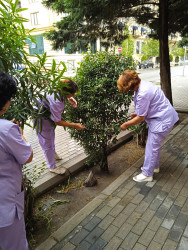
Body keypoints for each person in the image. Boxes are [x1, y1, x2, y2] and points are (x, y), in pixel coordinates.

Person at [117, 70, 179, 182]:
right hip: (163, 117)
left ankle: (147, 174)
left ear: (129, 85)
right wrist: (138, 113)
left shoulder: (142, 93)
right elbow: (149, 106)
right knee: (154, 146)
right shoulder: (144, 85)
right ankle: (154, 167)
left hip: (162, 120)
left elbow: (141, 118)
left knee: (151, 147)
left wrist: (126, 124)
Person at [0, 71, 33, 250]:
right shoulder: (6, 129)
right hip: (5, 207)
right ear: (4, 103)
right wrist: (19, 134)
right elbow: (27, 156)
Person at [35, 79, 85, 174]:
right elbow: (57, 122)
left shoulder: (58, 86)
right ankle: (52, 167)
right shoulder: (56, 101)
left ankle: (52, 154)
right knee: (46, 141)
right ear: (65, 92)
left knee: (51, 135)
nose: (74, 95)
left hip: (46, 112)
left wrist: (69, 98)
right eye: (72, 94)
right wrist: (75, 125)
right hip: (40, 116)